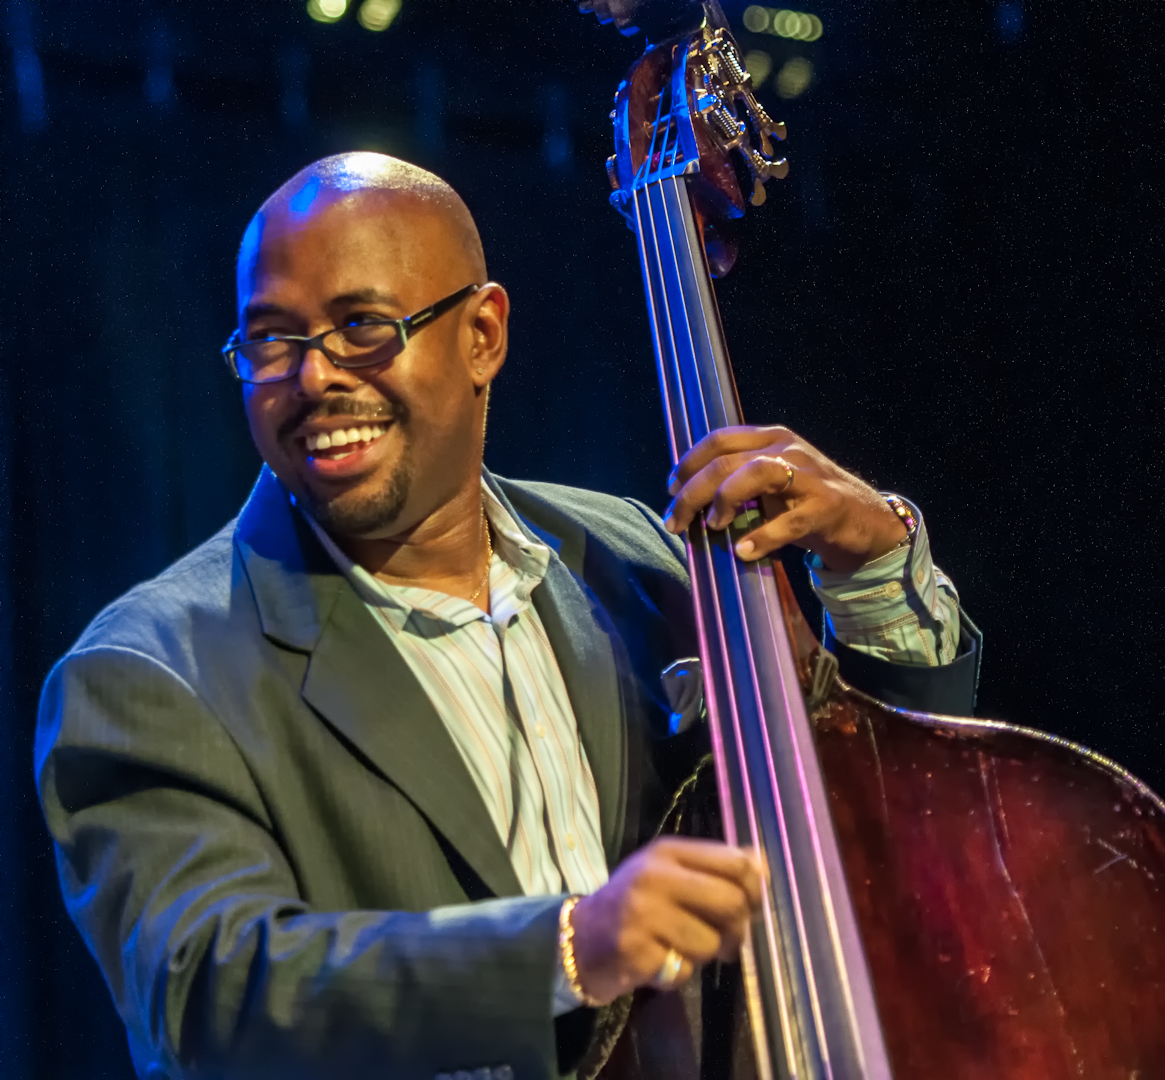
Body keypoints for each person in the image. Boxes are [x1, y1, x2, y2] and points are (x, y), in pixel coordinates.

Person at [35, 153, 979, 1080]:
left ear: (482, 334)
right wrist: (565, 947)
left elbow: (882, 806)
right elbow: (211, 994)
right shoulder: (150, 673)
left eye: (363, 326)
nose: (313, 379)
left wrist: (872, 562)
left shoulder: (638, 560)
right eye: (272, 341)